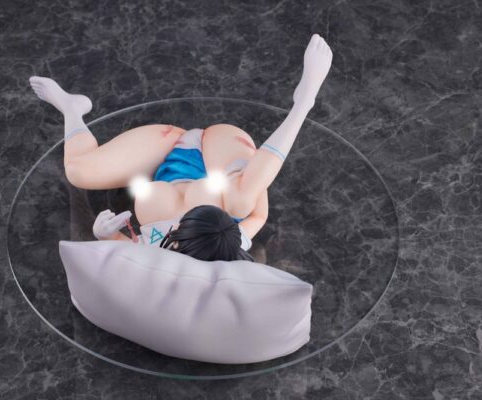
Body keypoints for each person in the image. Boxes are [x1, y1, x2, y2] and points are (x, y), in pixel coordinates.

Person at [29, 33, 333, 262]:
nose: (173, 234)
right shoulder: (228, 244)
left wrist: (104, 233)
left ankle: (71, 109)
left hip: (165, 149)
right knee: (242, 201)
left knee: (78, 171)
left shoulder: (155, 253)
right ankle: (303, 104)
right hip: (223, 151)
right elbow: (258, 217)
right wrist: (251, 179)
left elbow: (122, 246)